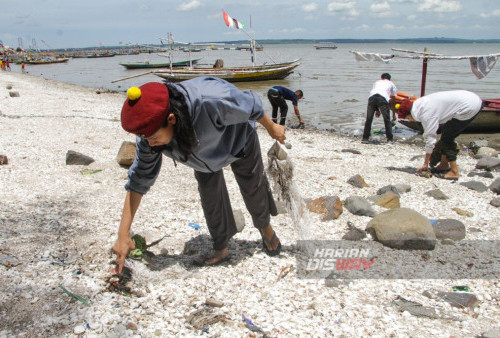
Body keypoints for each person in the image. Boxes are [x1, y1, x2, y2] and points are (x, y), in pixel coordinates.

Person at [113, 77, 286, 273]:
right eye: (146, 139)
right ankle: (221, 247)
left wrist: (272, 127)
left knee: (252, 185)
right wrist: (123, 234)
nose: (150, 143)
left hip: (238, 140)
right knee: (210, 196)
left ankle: (266, 230)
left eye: (153, 138)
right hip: (199, 156)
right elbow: (139, 179)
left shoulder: (211, 99)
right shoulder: (149, 131)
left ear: (171, 119)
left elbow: (252, 103)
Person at [397, 90, 483, 180]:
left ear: (410, 113)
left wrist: (425, 163)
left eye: (408, 118)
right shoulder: (420, 103)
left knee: (447, 139)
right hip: (470, 98)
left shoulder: (426, 114)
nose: (410, 120)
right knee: (446, 133)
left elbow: (430, 140)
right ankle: (444, 164)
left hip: (469, 106)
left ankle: (454, 171)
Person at [362, 73, 397, 143]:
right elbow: (393, 100)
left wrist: (377, 110)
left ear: (381, 78)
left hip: (371, 98)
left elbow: (376, 95)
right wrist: (393, 114)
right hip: (383, 99)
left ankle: (365, 138)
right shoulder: (392, 84)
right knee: (387, 120)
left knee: (369, 119)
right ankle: (390, 139)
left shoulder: (376, 82)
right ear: (389, 79)